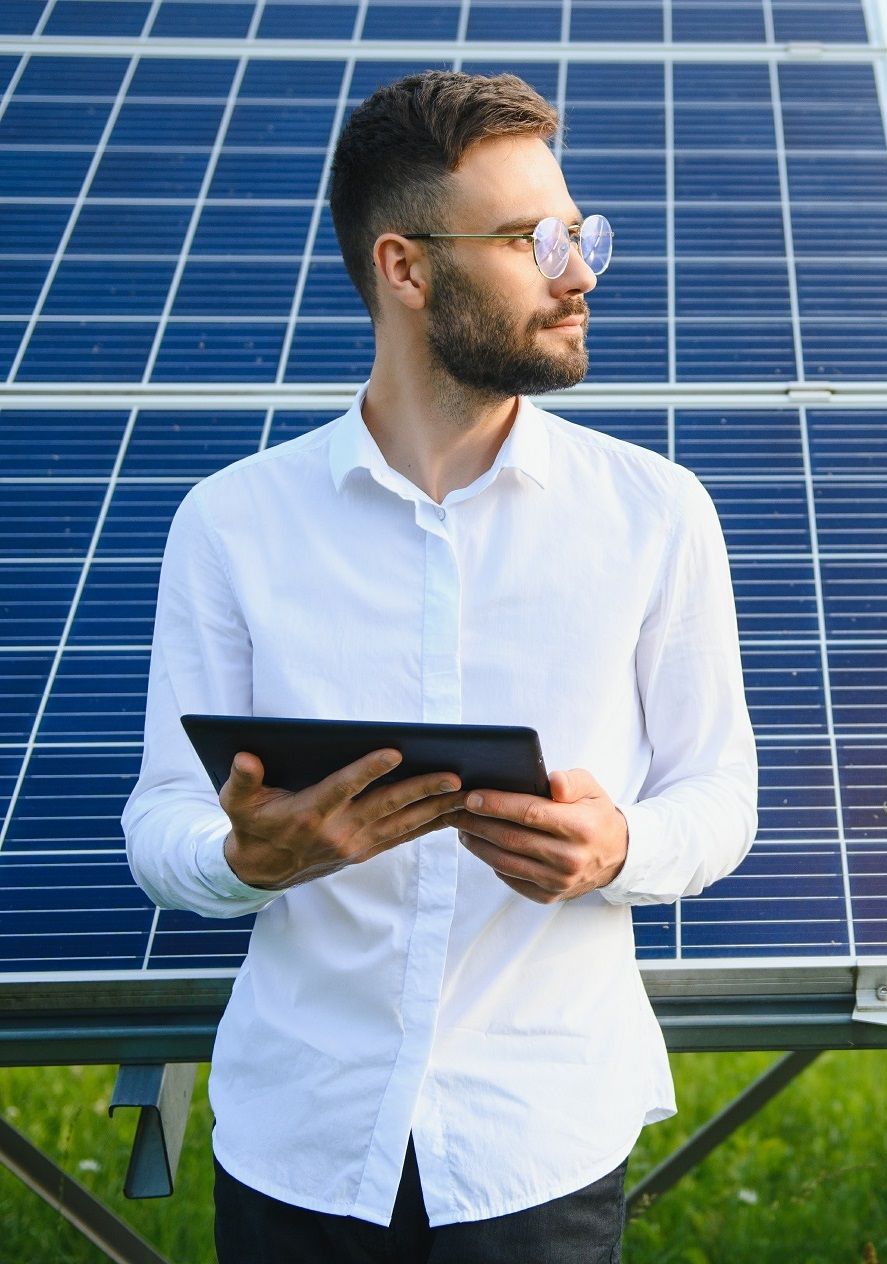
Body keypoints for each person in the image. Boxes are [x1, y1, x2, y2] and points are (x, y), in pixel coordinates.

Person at [120, 69, 758, 1262]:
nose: (579, 272)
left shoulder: (656, 514)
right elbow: (160, 820)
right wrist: (242, 859)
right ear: (404, 269)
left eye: (579, 234)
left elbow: (720, 794)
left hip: (540, 1136)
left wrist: (617, 846)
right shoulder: (232, 523)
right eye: (531, 241)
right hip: (300, 1136)